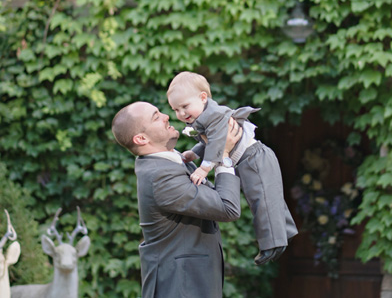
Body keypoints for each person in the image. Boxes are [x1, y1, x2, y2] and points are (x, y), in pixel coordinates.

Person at [111, 101, 244, 298]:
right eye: (156, 116)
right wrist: (223, 155)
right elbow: (227, 208)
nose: (166, 116)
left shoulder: (169, 162)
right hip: (180, 287)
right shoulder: (160, 177)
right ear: (141, 138)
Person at [167, 71, 298, 265]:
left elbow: (217, 144)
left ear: (203, 98)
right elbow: (208, 143)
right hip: (249, 160)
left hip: (254, 157)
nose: (181, 114)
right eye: (176, 109)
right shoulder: (203, 120)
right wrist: (193, 153)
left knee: (263, 200)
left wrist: (203, 169)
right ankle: (284, 234)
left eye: (185, 106)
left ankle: (272, 245)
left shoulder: (215, 116)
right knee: (268, 199)